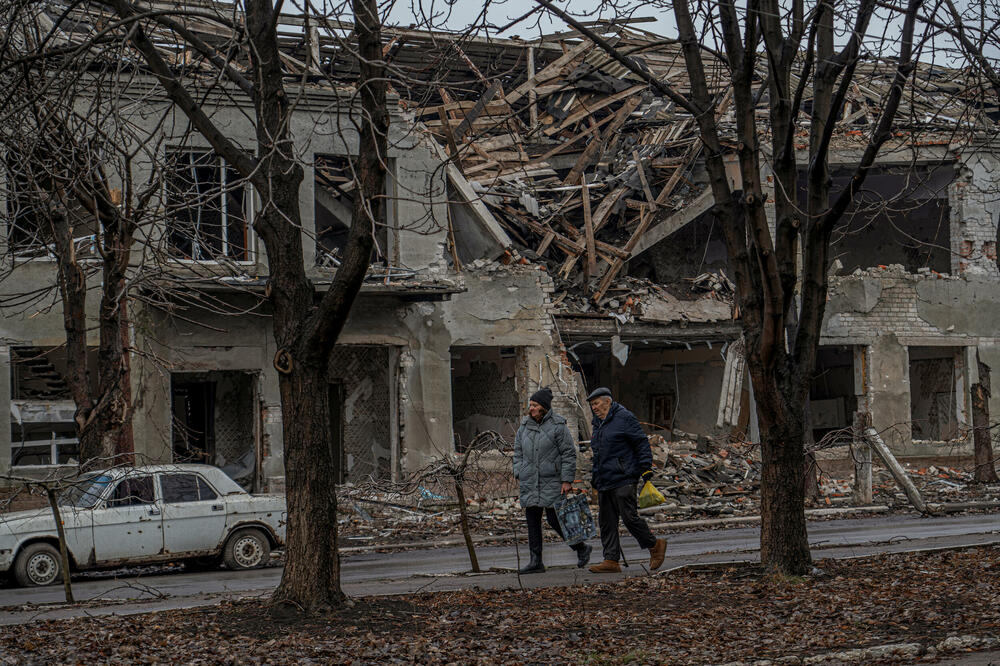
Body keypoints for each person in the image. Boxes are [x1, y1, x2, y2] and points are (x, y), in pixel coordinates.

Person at [585, 387, 666, 573]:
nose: (594, 408)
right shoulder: (598, 423)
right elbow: (598, 454)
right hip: (605, 479)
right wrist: (595, 478)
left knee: (629, 518)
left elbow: (641, 443)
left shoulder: (624, 417)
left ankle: (655, 546)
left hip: (624, 477)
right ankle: (611, 560)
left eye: (596, 403)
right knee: (606, 521)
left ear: (608, 401)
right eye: (592, 405)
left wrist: (645, 469)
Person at [513, 387, 593, 574]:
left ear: (544, 407)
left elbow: (568, 454)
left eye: (534, 405)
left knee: (555, 519)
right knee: (532, 520)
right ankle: (536, 561)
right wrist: (519, 471)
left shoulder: (558, 426)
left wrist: (567, 480)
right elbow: (517, 452)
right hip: (530, 481)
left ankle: (581, 548)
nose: (530, 408)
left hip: (552, 481)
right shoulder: (524, 426)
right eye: (530, 405)